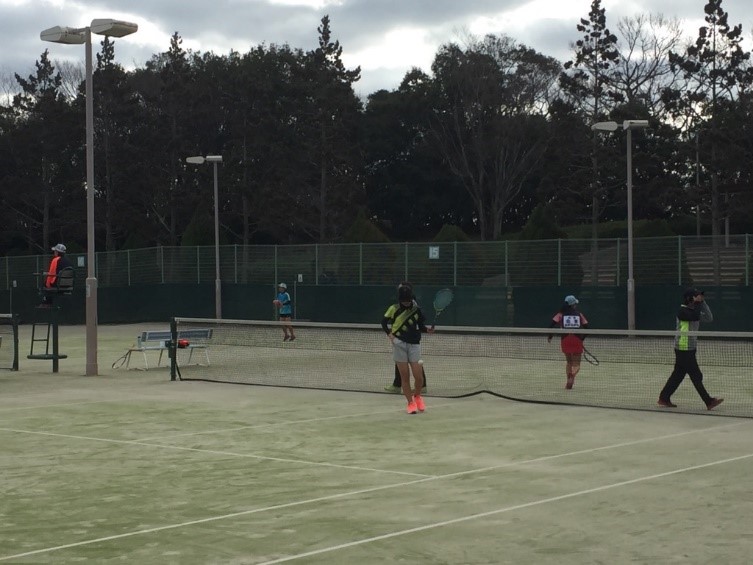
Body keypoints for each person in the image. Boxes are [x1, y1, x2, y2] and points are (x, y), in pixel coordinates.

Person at [658, 289, 723, 410]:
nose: (698, 297)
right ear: (689, 298)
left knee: (678, 375)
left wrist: (703, 302)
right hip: (683, 348)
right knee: (696, 375)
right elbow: (693, 316)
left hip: (690, 348)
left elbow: (709, 318)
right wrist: (698, 303)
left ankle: (664, 397)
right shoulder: (682, 311)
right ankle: (709, 401)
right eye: (695, 296)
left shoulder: (695, 310)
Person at [381, 283, 434, 414]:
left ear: (411, 298)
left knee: (418, 377)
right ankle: (410, 403)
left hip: (414, 345)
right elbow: (383, 322)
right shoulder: (393, 308)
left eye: (408, 300)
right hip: (399, 345)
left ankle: (417, 396)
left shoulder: (416, 309)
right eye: (403, 300)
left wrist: (427, 330)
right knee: (405, 377)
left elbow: (420, 325)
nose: (406, 303)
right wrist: (390, 335)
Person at [384, 281, 428, 393]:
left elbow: (419, 321)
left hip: (411, 339)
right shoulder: (400, 304)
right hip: (400, 339)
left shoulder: (413, 304)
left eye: (402, 288)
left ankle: (420, 386)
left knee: (415, 364)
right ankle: (399, 384)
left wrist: (425, 329)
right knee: (404, 363)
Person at [548, 294, 589, 390]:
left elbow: (551, 326)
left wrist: (550, 337)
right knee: (577, 364)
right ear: (573, 305)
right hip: (576, 339)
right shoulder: (579, 314)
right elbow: (587, 328)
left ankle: (568, 382)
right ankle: (573, 375)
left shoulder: (560, 314)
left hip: (565, 340)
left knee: (569, 362)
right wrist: (582, 339)